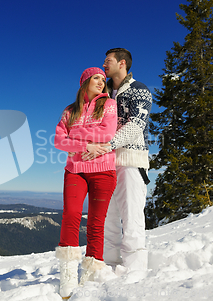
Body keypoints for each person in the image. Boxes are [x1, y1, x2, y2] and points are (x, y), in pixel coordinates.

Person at [84, 48, 152, 274]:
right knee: (107, 215)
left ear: (122, 63)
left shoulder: (139, 90)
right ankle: (110, 263)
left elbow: (136, 125)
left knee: (131, 214)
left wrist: (108, 144)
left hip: (130, 161)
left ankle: (135, 270)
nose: (104, 64)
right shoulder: (103, 95)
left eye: (108, 61)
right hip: (104, 163)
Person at [54, 67, 118, 299]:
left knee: (95, 222)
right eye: (96, 78)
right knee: (71, 214)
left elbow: (108, 133)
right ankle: (68, 275)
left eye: (103, 79)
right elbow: (59, 140)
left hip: (103, 170)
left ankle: (90, 272)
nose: (101, 82)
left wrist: (76, 135)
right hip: (75, 170)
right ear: (84, 82)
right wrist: (85, 146)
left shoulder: (108, 105)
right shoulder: (70, 111)